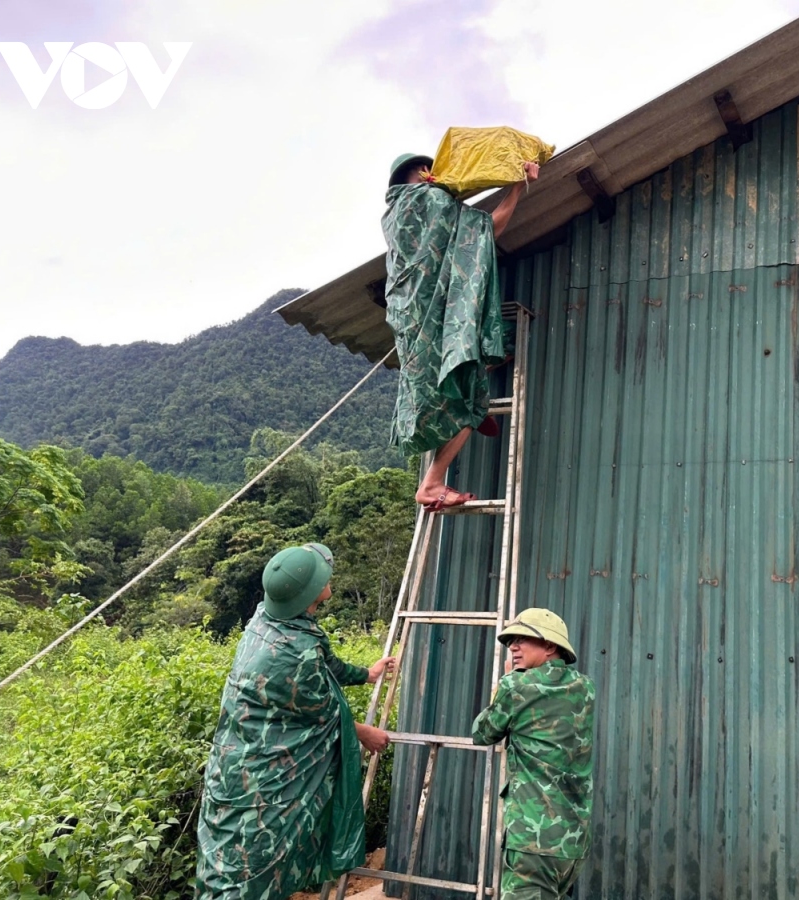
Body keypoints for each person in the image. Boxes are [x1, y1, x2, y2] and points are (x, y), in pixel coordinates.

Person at [195, 543, 397, 900]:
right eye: (323, 575)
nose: (328, 575)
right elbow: (325, 718)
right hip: (259, 781)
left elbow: (324, 663)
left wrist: (367, 673)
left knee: (245, 864)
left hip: (235, 766)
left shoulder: (270, 619)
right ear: (309, 594)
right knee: (250, 866)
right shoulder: (292, 655)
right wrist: (365, 734)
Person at [382, 152, 540, 510]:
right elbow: (486, 231)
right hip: (436, 321)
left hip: (409, 322)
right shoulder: (432, 200)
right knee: (468, 403)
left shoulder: (392, 219)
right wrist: (517, 182)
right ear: (425, 173)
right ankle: (433, 483)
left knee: (442, 381)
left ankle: (484, 364)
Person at [471, 608, 595, 900]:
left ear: (550, 646)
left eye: (523, 639)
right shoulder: (586, 688)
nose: (513, 647)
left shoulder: (516, 685)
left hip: (532, 840)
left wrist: (504, 683)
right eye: (511, 641)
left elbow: (482, 733)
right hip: (573, 843)